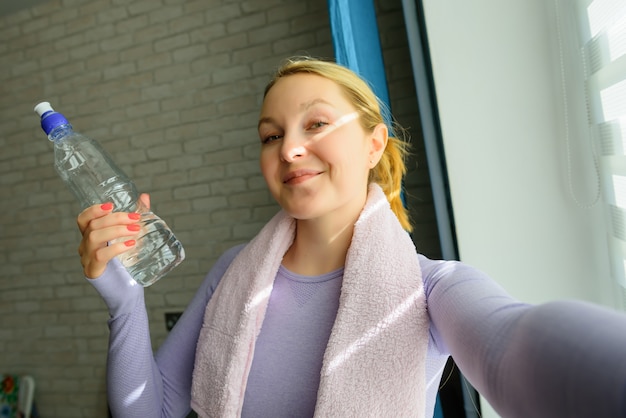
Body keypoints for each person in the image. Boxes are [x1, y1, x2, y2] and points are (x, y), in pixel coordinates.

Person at [77, 57, 626, 418]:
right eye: (272, 135)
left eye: (315, 125)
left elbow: (513, 349)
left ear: (373, 144)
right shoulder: (232, 270)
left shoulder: (429, 288)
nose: (289, 149)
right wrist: (126, 302)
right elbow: (149, 409)